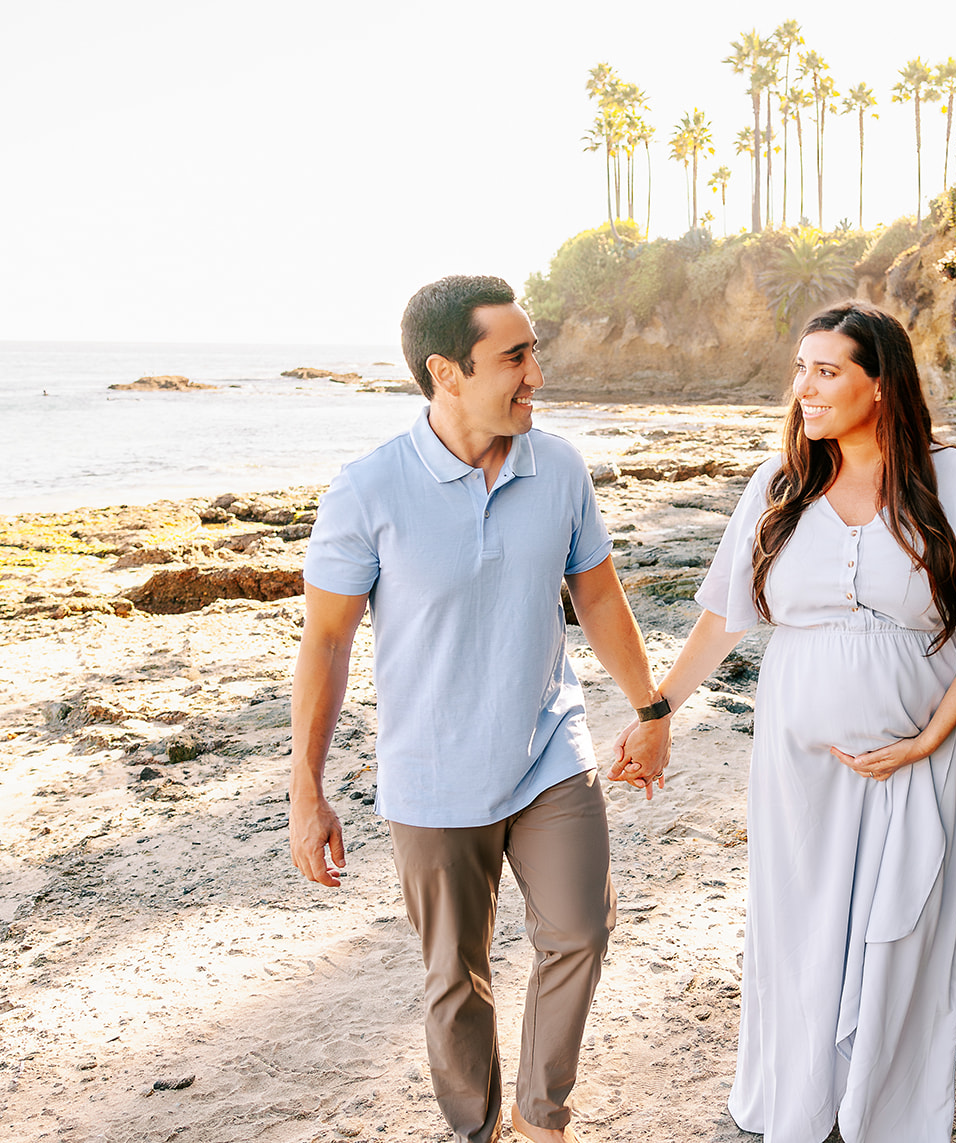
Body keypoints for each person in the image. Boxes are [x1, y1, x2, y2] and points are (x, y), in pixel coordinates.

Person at [611, 302, 956, 1142]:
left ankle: (880, 1113)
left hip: (911, 753)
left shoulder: (952, 482)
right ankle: (799, 1101)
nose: (804, 388)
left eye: (827, 371)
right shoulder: (779, 486)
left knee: (900, 925)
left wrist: (932, 734)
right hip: (795, 756)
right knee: (800, 918)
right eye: (800, 369)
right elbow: (723, 617)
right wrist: (658, 711)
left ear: (879, 384)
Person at [290, 274, 670, 1143]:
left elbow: (601, 599)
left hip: (549, 751)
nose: (537, 371)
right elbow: (326, 642)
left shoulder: (560, 465)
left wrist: (650, 706)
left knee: (580, 927)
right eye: (516, 355)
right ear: (448, 372)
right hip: (429, 773)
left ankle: (542, 1121)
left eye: (534, 350)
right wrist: (306, 787)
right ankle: (477, 1131)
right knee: (455, 983)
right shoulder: (368, 490)